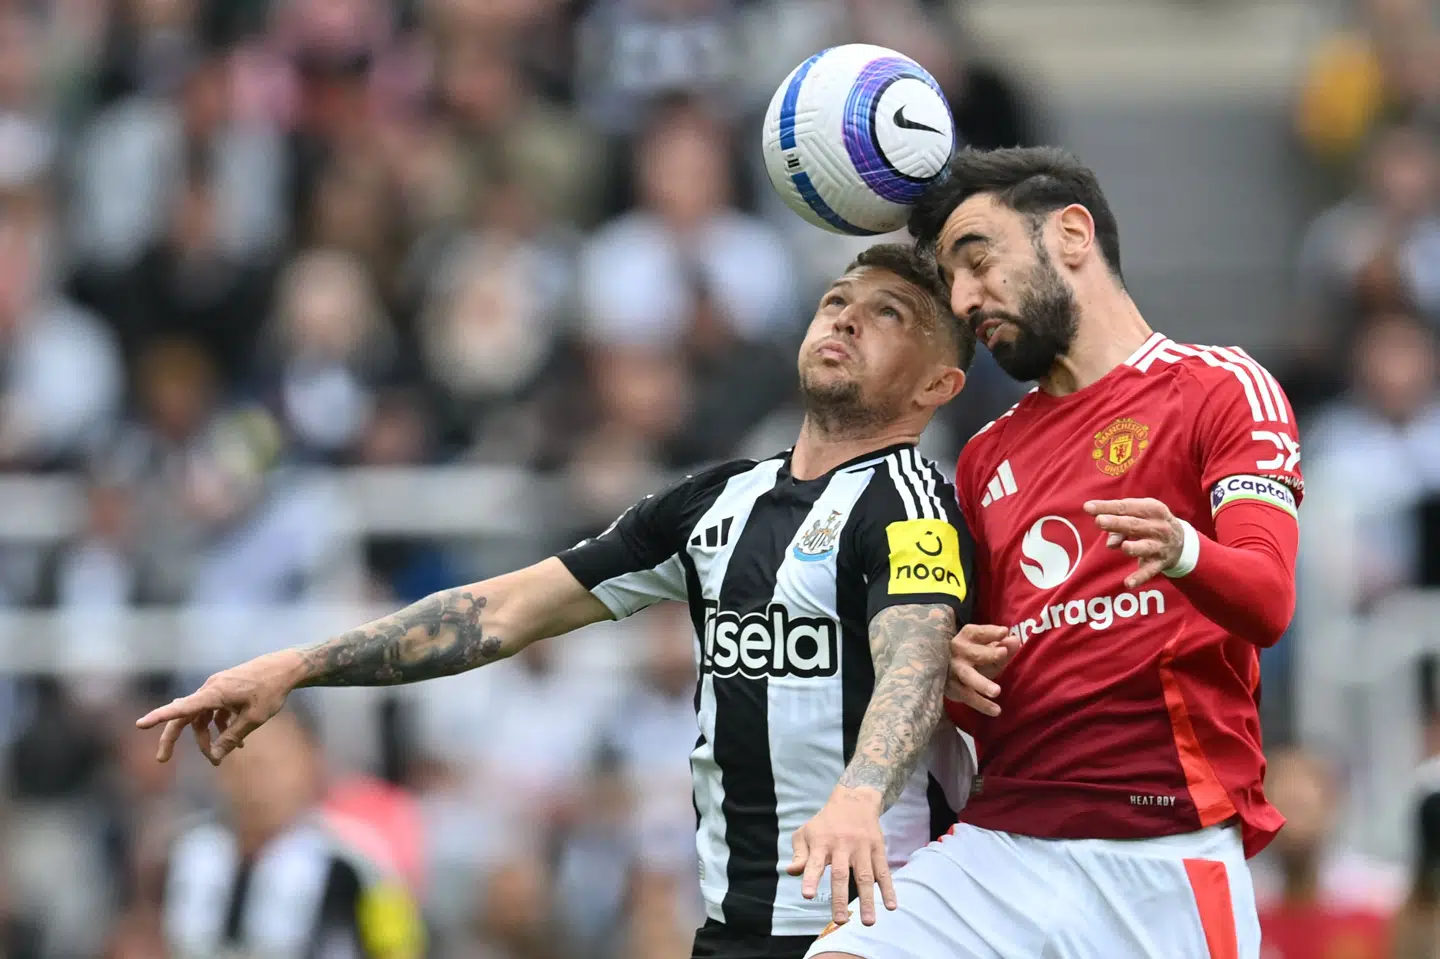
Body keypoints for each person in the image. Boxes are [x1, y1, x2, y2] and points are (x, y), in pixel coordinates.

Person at [138, 242, 985, 959]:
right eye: (837, 299)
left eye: (888, 316)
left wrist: (859, 794)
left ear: (937, 387)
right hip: (739, 927)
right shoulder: (715, 504)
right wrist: (296, 666)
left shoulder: (908, 499)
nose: (843, 317)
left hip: (881, 924)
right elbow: (499, 613)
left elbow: (915, 651)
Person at [807, 146, 1305, 959]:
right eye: (953, 279)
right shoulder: (986, 458)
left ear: (1071, 233)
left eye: (978, 258)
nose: (965, 298)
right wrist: (954, 665)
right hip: (1005, 840)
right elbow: (988, 683)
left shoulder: (1219, 388)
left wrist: (1183, 549)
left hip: (1163, 849)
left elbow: (1269, 599)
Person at [161, 706, 423, 959]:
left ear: (311, 761)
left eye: (268, 765)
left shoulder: (357, 860)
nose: (254, 783)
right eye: (240, 764)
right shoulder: (187, 852)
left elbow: (399, 950)